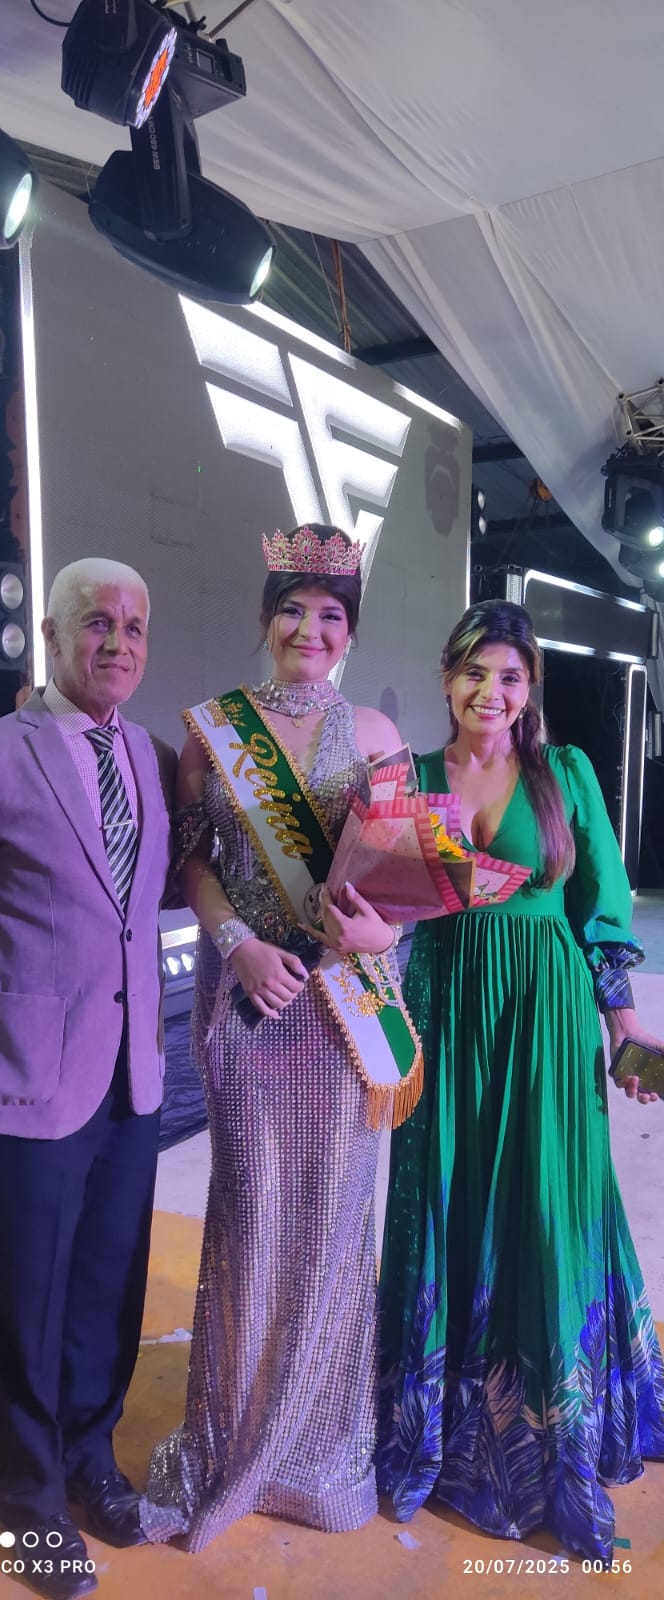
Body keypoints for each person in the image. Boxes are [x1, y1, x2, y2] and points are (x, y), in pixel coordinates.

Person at [141, 523, 422, 1551]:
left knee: (334, 1223)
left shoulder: (378, 737)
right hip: (252, 1005)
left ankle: (313, 1446)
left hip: (344, 1014)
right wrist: (239, 946)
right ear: (267, 619)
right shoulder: (214, 730)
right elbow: (193, 862)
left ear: (349, 631)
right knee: (251, 1215)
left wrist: (383, 932)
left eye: (330, 615)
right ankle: (234, 1433)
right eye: (293, 611)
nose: (310, 630)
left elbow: (406, 882)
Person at [376, 598, 664, 1563]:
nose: (490, 692)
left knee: (549, 1211)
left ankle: (554, 1441)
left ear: (529, 686)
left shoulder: (565, 774)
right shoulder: (411, 779)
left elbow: (600, 908)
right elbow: (375, 902)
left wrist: (625, 1027)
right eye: (473, 672)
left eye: (509, 676)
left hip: (545, 1018)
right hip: (445, 1014)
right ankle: (438, 1430)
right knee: (449, 1201)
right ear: (447, 677)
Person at [0, 558, 178, 1600]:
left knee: (106, 1291)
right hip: (21, 1077)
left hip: (131, 1080)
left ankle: (91, 1461)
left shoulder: (154, 760)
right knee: (23, 1301)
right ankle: (30, 1504)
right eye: (96, 622)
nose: (117, 642)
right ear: (48, 633)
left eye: (134, 626)